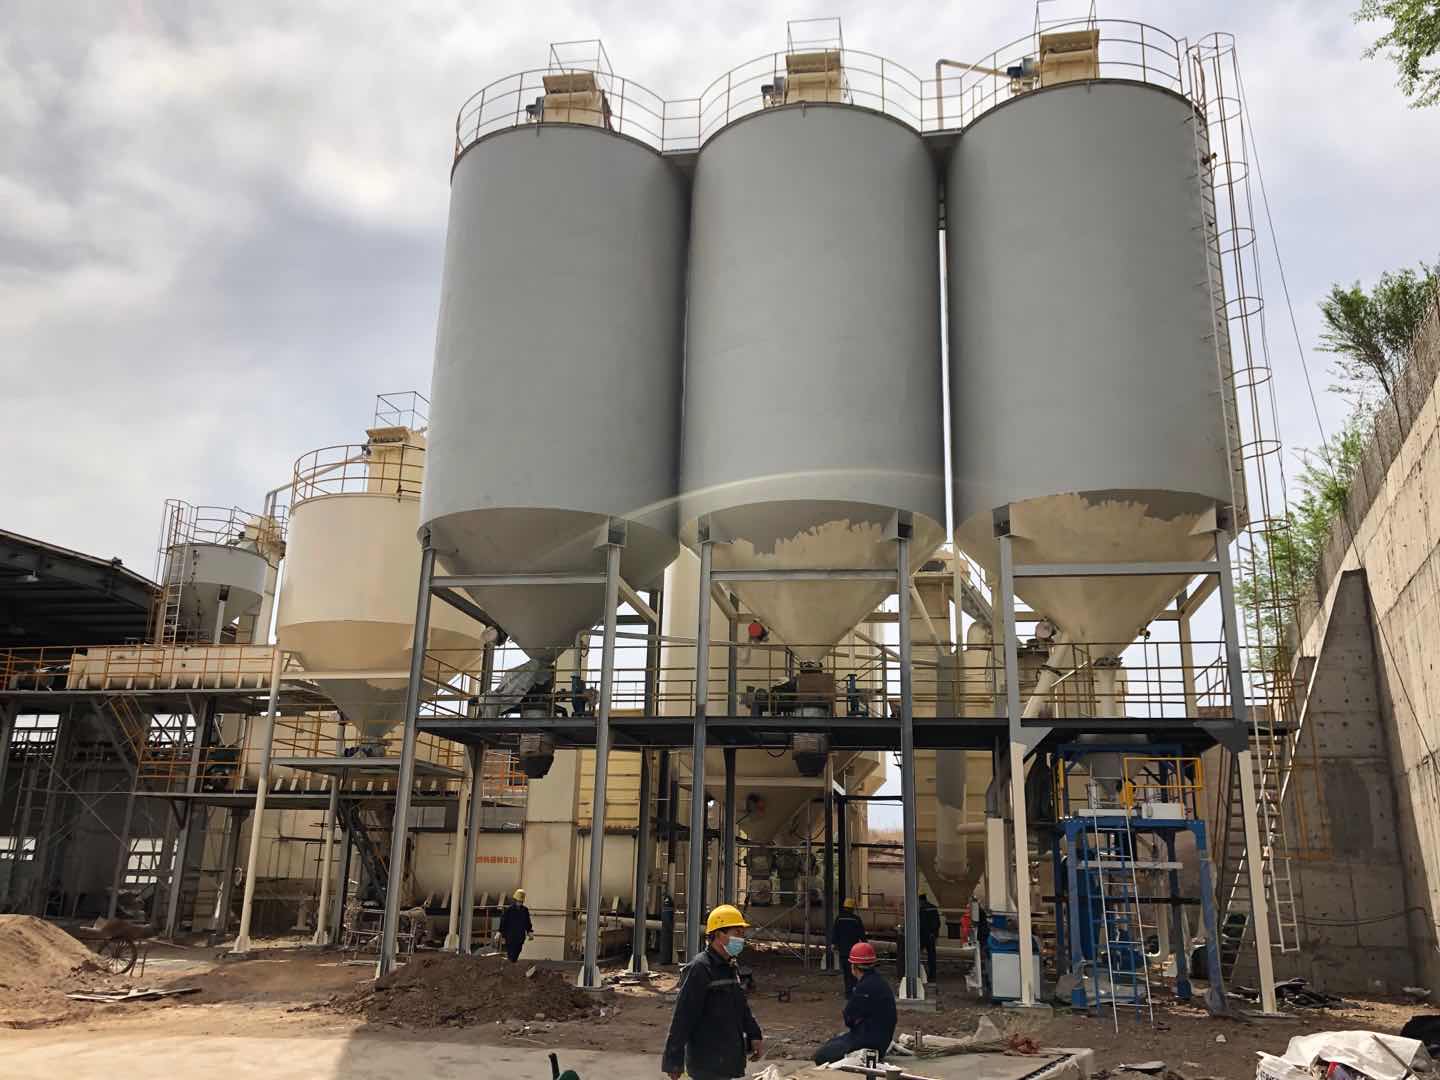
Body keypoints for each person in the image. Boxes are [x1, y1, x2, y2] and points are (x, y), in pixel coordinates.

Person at [662, 904, 764, 1080]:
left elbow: (741, 1006)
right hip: (706, 1062)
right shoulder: (700, 968)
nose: (741, 939)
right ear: (718, 934)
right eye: (737, 933)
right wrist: (673, 1060)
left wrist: (754, 1034)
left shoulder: (730, 966)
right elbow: (683, 1016)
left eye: (742, 933)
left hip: (727, 1059)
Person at [813, 941, 898, 1065]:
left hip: (869, 1042)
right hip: (881, 1040)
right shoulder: (880, 982)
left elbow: (849, 1018)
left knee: (821, 1055)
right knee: (834, 1043)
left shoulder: (863, 988)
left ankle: (863, 1056)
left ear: (854, 966)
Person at [830, 898, 868, 996]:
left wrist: (834, 944)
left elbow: (835, 932)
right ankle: (854, 991)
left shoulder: (839, 918)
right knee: (854, 972)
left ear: (844, 907)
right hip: (854, 951)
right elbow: (862, 934)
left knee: (846, 973)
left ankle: (848, 993)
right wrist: (865, 945)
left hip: (843, 950)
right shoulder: (856, 919)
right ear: (852, 908)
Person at [497, 887, 533, 963]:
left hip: (520, 937)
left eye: (521, 901)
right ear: (515, 900)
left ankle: (512, 964)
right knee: (511, 955)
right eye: (518, 901)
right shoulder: (509, 910)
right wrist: (499, 932)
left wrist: (530, 931)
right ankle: (510, 965)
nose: (519, 903)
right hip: (510, 936)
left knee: (517, 953)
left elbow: (527, 922)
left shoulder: (525, 910)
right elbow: (503, 922)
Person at [918, 892, 942, 985]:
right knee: (931, 956)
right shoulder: (933, 907)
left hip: (922, 936)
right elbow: (938, 923)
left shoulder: (920, 908)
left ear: (920, 900)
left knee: (916, 955)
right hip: (931, 936)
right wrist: (934, 934)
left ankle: (917, 974)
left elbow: (920, 923)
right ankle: (932, 975)